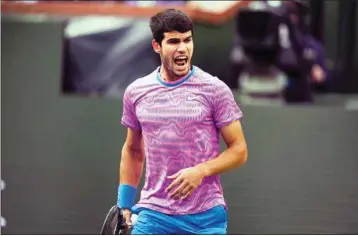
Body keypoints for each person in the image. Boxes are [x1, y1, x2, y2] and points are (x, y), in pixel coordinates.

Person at [116, 8, 248, 235]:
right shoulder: (136, 92)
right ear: (157, 46)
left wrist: (201, 171)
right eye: (173, 41)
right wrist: (124, 204)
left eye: (187, 40)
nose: (182, 48)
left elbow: (239, 150)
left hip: (206, 218)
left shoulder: (215, 90)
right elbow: (133, 150)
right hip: (153, 215)